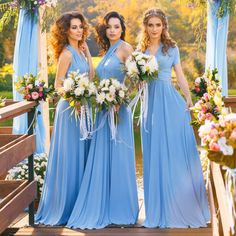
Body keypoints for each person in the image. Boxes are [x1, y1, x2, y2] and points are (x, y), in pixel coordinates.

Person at [67, 11, 139, 229]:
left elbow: (137, 80)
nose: (112, 30)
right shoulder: (107, 50)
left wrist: (121, 97)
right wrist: (88, 55)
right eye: (109, 27)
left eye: (116, 26)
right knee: (101, 155)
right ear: (104, 29)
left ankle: (121, 207)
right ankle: (102, 203)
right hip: (102, 109)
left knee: (118, 155)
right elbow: (94, 76)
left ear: (122, 28)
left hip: (118, 111)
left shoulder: (126, 49)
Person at [139, 8, 210, 228]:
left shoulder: (172, 48)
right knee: (154, 152)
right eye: (150, 25)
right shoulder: (139, 50)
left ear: (163, 26)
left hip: (169, 101)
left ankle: (180, 203)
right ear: (145, 27)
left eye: (157, 25)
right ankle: (158, 208)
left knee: (174, 151)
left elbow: (179, 75)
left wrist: (188, 97)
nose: (154, 29)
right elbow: (137, 79)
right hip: (149, 104)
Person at [35, 11, 93, 225]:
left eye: (80, 27)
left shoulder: (80, 49)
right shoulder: (67, 53)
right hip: (69, 110)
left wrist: (87, 56)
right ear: (65, 30)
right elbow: (58, 85)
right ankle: (65, 207)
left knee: (83, 155)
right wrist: (73, 98)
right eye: (74, 27)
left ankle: (80, 203)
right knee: (70, 156)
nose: (78, 30)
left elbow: (91, 77)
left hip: (84, 108)